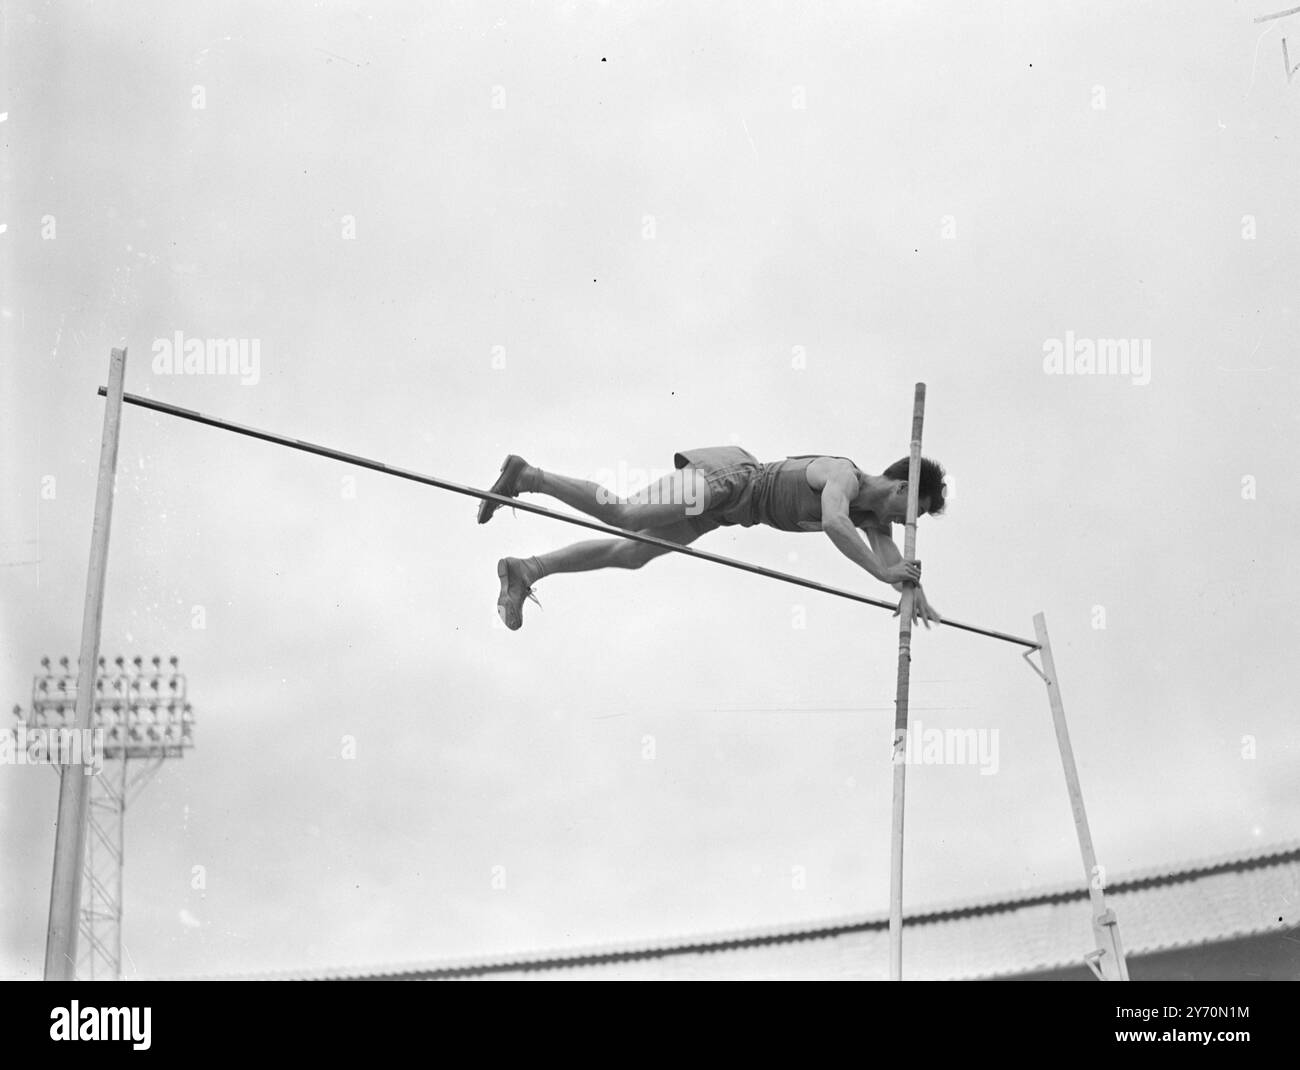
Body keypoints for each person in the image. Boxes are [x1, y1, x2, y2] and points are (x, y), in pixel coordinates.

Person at [479, 447, 945, 631]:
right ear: (901, 489)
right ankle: (528, 476)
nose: (907, 527)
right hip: (732, 480)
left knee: (631, 554)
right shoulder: (845, 477)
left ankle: (527, 569)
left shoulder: (874, 519)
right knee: (625, 514)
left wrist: (911, 589)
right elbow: (834, 525)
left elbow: (890, 563)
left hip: (728, 514)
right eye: (913, 514)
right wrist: (886, 572)